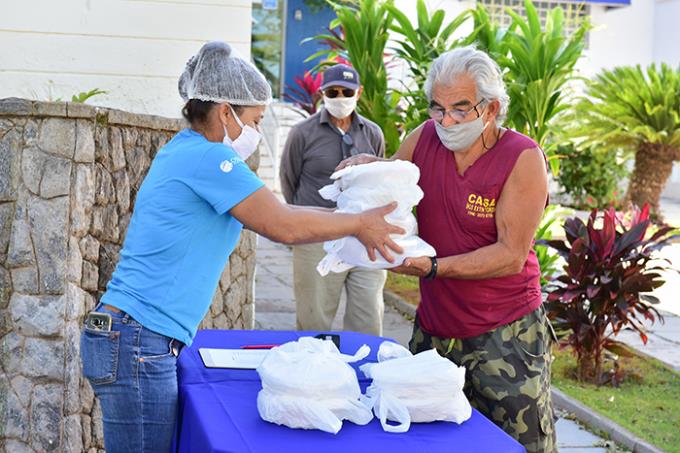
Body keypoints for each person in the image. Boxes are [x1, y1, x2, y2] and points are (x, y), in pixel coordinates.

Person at [79, 42, 403, 453]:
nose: (256, 131)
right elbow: (282, 223)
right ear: (224, 111)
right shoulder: (211, 160)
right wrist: (358, 223)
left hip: (134, 335)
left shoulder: (185, 150)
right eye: (255, 119)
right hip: (139, 339)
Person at [338, 46, 556, 453]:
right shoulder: (424, 138)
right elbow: (394, 190)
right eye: (437, 108)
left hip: (506, 334)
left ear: (490, 109)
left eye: (460, 109)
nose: (446, 121)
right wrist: (371, 168)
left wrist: (434, 267)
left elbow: (510, 254)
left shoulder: (521, 158)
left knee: (520, 446)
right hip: (436, 330)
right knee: (428, 443)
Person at [280, 64, 388, 335]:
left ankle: (362, 372)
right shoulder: (302, 133)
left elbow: (379, 176)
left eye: (347, 91)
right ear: (322, 94)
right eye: (333, 91)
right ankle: (313, 374)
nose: (340, 97)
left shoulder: (372, 133)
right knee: (313, 321)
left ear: (359, 93)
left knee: (368, 318)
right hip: (317, 237)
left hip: (364, 237)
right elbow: (288, 181)